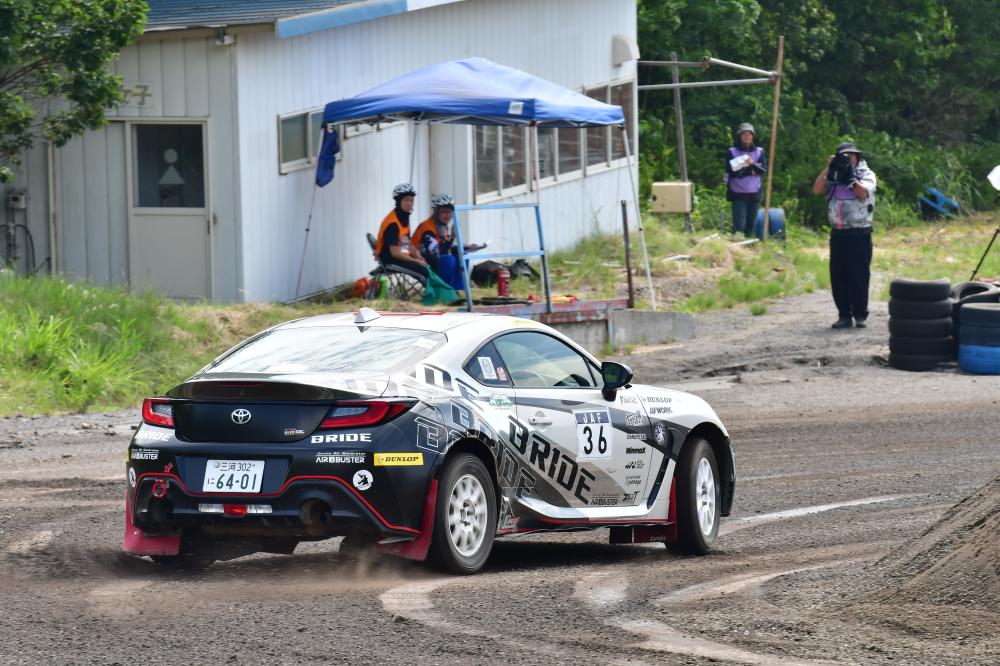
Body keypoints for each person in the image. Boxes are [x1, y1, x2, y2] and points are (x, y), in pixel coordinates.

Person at [812, 141, 877, 329]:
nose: (848, 159)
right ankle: (844, 315)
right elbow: (817, 189)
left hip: (859, 232)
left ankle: (860, 315)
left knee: (859, 276)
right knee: (838, 276)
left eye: (851, 155)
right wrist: (830, 167)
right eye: (844, 156)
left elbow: (863, 193)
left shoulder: (866, 174)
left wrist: (850, 177)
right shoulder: (833, 175)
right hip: (838, 232)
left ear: (857, 157)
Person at [413, 194, 485, 292]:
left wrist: (467, 247)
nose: (448, 215)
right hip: (421, 262)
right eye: (444, 212)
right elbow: (437, 252)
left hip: (434, 259)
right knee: (449, 260)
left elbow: (447, 245)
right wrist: (452, 237)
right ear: (435, 211)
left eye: (450, 212)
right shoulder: (428, 228)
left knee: (463, 255)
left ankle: (458, 289)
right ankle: (446, 291)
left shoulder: (442, 225)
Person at [373, 183, 428, 277]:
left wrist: (419, 256)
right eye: (406, 200)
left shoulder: (403, 217)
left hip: (399, 257)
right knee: (422, 271)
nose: (409, 203)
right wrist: (416, 261)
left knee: (431, 260)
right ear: (398, 201)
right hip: (390, 260)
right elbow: (395, 253)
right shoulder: (393, 224)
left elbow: (406, 242)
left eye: (411, 200)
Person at [724, 122, 767, 237]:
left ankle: (749, 246)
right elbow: (731, 171)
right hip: (738, 193)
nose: (747, 136)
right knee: (739, 226)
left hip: (754, 193)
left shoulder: (759, 152)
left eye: (749, 134)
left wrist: (750, 165)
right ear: (739, 136)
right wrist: (751, 170)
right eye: (744, 134)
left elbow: (762, 171)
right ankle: (737, 244)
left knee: (750, 226)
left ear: (752, 136)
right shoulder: (732, 151)